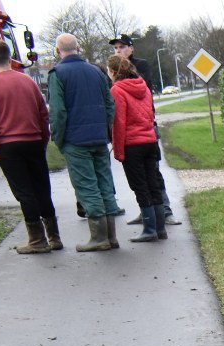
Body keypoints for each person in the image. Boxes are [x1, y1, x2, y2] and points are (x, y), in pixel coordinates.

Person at [0, 39, 60, 254]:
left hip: (9, 145)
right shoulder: (28, 81)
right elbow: (43, 113)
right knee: (42, 188)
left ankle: (37, 240)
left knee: (24, 192)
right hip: (33, 141)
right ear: (10, 58)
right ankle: (54, 236)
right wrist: (43, 139)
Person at [48, 34, 119, 252]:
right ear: (78, 48)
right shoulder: (96, 71)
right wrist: (105, 130)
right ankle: (112, 236)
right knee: (105, 183)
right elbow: (110, 104)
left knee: (87, 186)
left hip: (75, 140)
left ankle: (99, 238)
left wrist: (59, 138)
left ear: (58, 50)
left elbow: (58, 111)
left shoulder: (57, 74)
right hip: (99, 138)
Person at [109, 34, 177, 228]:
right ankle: (151, 217)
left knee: (151, 176)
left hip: (141, 130)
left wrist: (118, 147)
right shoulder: (117, 82)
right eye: (116, 48)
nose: (119, 50)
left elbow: (121, 117)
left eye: (122, 47)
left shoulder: (139, 70)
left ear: (131, 48)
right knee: (143, 180)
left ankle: (163, 213)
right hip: (142, 132)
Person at [109, 56, 165, 242]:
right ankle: (160, 228)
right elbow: (150, 113)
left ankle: (149, 229)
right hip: (150, 141)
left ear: (114, 71)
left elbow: (119, 122)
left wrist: (118, 151)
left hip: (132, 144)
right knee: (153, 185)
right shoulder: (144, 86)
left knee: (140, 187)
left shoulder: (117, 90)